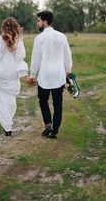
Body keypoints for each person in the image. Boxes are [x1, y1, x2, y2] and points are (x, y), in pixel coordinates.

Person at [26, 10, 72, 139]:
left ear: (45, 22)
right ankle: (54, 130)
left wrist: (32, 75)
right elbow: (68, 55)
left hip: (45, 75)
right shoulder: (62, 36)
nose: (37, 23)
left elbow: (35, 58)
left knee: (43, 100)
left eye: (39, 20)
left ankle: (48, 125)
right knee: (58, 104)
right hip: (58, 75)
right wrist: (68, 70)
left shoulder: (39, 38)